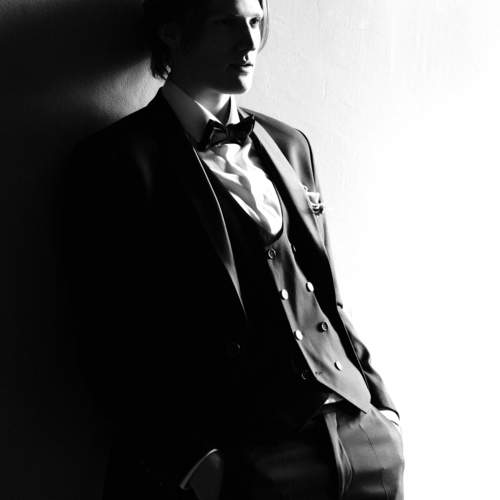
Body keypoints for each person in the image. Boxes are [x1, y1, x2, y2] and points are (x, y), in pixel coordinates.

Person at [63, 0, 404, 498]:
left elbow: (324, 297)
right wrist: (196, 464)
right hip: (242, 459)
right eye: (227, 23)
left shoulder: (290, 144)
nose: (250, 44)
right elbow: (107, 340)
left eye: (256, 22)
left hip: (360, 437)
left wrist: (383, 407)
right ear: (171, 31)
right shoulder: (113, 161)